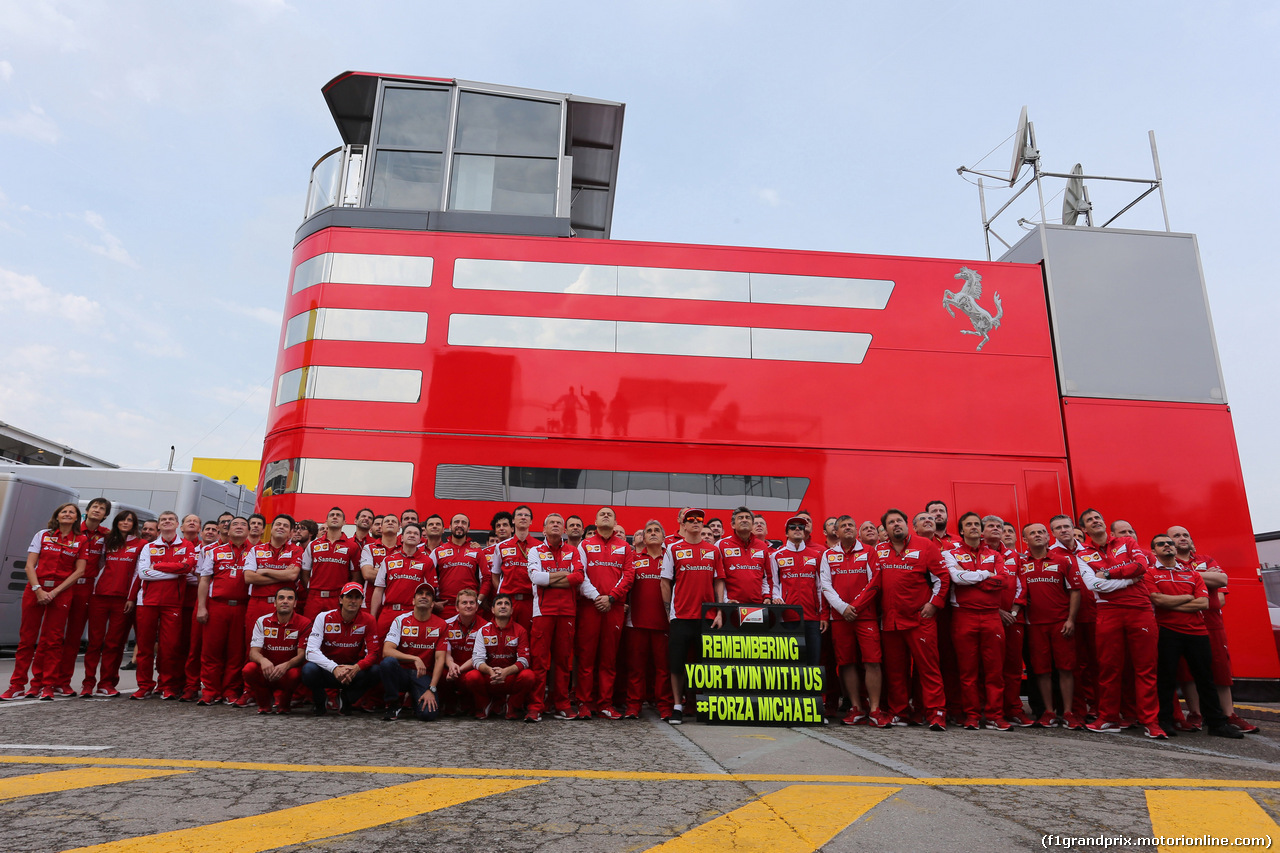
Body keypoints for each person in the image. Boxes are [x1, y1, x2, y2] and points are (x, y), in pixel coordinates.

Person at [850, 509, 950, 730]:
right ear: (885, 530)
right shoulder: (879, 550)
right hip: (890, 621)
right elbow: (873, 583)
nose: (896, 525)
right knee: (895, 671)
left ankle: (936, 713)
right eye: (891, 522)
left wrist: (934, 604)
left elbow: (942, 577)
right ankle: (900, 712)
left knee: (928, 669)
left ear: (907, 524)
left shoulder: (926, 545)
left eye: (899, 521)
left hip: (920, 619)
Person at [1073, 508, 1164, 739]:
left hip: (1140, 610)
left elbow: (1141, 566)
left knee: (1146, 668)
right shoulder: (1082, 554)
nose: (1095, 521)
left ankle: (1150, 721)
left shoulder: (1126, 541)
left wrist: (1110, 574)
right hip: (1108, 612)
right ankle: (1109, 718)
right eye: (1089, 521)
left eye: (1098, 518)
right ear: (1084, 529)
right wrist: (1129, 579)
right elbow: (1095, 586)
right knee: (1109, 669)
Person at [1147, 534, 1242, 739]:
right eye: (1161, 544)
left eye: (1169, 543)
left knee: (1205, 679)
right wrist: (1187, 597)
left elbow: (1204, 603)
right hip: (1167, 631)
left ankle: (1217, 724)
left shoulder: (1192, 573)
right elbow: (1157, 600)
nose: (1167, 546)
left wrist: (1174, 602)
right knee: (1166, 679)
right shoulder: (1151, 573)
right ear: (1154, 551)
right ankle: (1165, 721)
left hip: (1198, 632)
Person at [1168, 526, 1257, 734]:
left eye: (1185, 535)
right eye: (1176, 536)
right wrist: (1204, 578)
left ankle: (1228, 714)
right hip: (1184, 623)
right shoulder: (1167, 565)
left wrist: (1186, 577)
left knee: (1220, 669)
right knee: (1187, 671)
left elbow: (1220, 594)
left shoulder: (1206, 559)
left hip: (1212, 624)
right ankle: (1196, 714)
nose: (1182, 538)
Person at [3, 503, 88, 701]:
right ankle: (17, 685)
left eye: (71, 512)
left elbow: (80, 571)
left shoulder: (81, 540)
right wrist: (38, 590)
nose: (67, 514)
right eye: (63, 512)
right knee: (26, 640)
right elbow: (29, 565)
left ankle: (45, 685)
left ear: (77, 518)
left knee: (53, 640)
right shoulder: (42, 535)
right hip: (35, 588)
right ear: (57, 516)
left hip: (62, 591)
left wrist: (56, 591)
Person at [947, 512, 1011, 730]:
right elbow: (956, 578)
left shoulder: (994, 554)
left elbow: (1003, 580)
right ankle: (972, 715)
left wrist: (973, 578)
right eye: (969, 524)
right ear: (962, 530)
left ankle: (995, 715)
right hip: (964, 616)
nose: (974, 527)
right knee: (967, 671)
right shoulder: (950, 553)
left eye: (977, 524)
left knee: (994, 670)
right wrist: (985, 575)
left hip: (992, 616)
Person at [660, 508, 724, 724]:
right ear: (683, 525)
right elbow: (665, 581)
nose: (696, 522)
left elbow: (719, 581)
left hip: (707, 617)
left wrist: (720, 611)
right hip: (681, 616)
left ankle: (704, 705)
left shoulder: (713, 550)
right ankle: (678, 706)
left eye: (699, 519)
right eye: (691, 519)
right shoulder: (673, 548)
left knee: (706, 664)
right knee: (677, 665)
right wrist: (669, 611)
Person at [820, 515, 885, 727]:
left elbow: (874, 582)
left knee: (872, 661)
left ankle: (875, 710)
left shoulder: (869, 552)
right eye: (843, 526)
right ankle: (855, 707)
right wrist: (842, 608)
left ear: (856, 531)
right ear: (836, 533)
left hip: (864, 615)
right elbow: (825, 586)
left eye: (851, 525)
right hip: (840, 618)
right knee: (845, 662)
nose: (848, 528)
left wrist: (854, 607)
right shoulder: (828, 555)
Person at [1020, 522, 1082, 729]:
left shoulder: (1063, 560)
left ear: (1048, 537)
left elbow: (1075, 590)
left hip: (1060, 624)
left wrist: (1070, 619)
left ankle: (1068, 712)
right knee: (1042, 671)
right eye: (1032, 533)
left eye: (1041, 532)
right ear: (1024, 540)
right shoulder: (1021, 563)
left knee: (1065, 668)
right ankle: (1048, 712)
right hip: (1034, 625)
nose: (1038, 535)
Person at [132, 511, 199, 700]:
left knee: (169, 648)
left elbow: (187, 568)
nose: (167, 522)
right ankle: (144, 685)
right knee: (144, 647)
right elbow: (143, 574)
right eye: (163, 520)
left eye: (171, 519)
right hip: (147, 602)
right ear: (159, 526)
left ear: (177, 524)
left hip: (173, 603)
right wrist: (175, 570)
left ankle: (167, 685)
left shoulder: (186, 545)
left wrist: (159, 566)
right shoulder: (149, 546)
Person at [574, 507, 634, 719]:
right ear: (596, 521)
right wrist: (597, 597)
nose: (606, 516)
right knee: (586, 658)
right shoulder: (585, 544)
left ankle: (605, 704)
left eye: (610, 514)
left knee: (609, 659)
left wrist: (611, 597)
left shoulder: (625, 547)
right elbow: (580, 573)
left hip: (613, 608)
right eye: (602, 514)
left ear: (616, 521)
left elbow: (628, 575)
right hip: (590, 607)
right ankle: (584, 703)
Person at [526, 513, 584, 722]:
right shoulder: (535, 551)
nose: (556, 525)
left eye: (560, 523)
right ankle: (536, 705)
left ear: (564, 530)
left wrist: (549, 580)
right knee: (539, 663)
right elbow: (535, 577)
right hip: (543, 613)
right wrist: (563, 574)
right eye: (552, 522)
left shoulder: (573, 550)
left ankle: (561, 704)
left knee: (562, 662)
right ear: (543, 530)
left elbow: (578, 577)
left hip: (567, 612)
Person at [81, 510, 143, 698]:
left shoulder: (141, 544)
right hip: (99, 597)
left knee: (114, 644)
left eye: (130, 520)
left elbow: (138, 574)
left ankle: (107, 683)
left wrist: (131, 598)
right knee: (94, 643)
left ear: (134, 524)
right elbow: (97, 565)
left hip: (122, 601)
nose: (126, 522)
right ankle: (88, 684)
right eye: (122, 519)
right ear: (116, 522)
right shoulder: (106, 541)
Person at [55, 496, 111, 696]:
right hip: (63, 586)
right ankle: (47, 680)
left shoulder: (106, 535)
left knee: (73, 637)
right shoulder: (73, 529)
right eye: (94, 506)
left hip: (86, 588)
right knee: (54, 635)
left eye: (102, 508)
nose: (97, 510)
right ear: (87, 510)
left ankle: (63, 681)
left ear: (106, 515)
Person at [195, 516, 253, 705]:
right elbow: (204, 580)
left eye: (243, 525)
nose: (238, 527)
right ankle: (210, 691)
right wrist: (202, 607)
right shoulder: (214, 551)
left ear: (249, 530)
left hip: (243, 607)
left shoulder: (256, 552)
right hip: (217, 606)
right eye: (234, 524)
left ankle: (230, 690)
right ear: (226, 530)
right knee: (211, 651)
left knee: (236, 652)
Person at [301, 582, 380, 715]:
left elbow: (373, 653)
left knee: (377, 671)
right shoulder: (324, 617)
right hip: (328, 670)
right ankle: (320, 702)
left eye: (357, 597)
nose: (353, 601)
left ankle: (346, 699)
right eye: (349, 596)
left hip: (351, 671)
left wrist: (357, 667)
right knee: (308, 670)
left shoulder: (369, 620)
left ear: (362, 601)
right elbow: (310, 651)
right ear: (340, 599)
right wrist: (334, 668)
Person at [624, 520, 675, 721]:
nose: (653, 533)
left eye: (657, 531)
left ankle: (665, 706)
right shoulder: (633, 558)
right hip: (636, 623)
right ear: (643, 538)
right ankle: (633, 706)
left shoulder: (671, 558)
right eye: (649, 531)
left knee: (663, 669)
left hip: (664, 623)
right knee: (636, 668)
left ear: (664, 537)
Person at [983, 514, 1030, 726]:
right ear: (982, 531)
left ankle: (1014, 709)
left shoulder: (1014, 555)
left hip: (1013, 619)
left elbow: (1022, 583)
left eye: (998, 526)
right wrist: (995, 610)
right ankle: (990, 710)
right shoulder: (978, 553)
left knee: (1012, 668)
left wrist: (1013, 611)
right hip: (986, 616)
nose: (995, 529)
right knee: (988, 667)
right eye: (990, 526)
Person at [1050, 513, 1098, 721]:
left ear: (1073, 528)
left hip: (1096, 614)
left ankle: (1099, 706)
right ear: (1052, 533)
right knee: (1074, 665)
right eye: (1058, 528)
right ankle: (1079, 708)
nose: (1063, 530)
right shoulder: (1050, 554)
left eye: (1066, 526)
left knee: (1098, 663)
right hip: (1068, 618)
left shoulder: (1090, 551)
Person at [378, 582, 447, 721]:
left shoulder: (441, 624)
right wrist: (414, 658)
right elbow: (387, 651)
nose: (424, 596)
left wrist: (431, 689)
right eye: (420, 594)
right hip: (401, 673)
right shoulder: (400, 620)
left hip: (422, 675)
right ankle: (393, 703)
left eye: (428, 595)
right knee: (387, 663)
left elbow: (440, 659)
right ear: (413, 601)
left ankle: (416, 702)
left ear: (433, 604)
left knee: (428, 715)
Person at [462, 592, 536, 719]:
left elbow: (524, 660)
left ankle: (512, 706)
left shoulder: (520, 631)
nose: (503, 606)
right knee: (471, 677)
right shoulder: (483, 630)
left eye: (506, 604)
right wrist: (490, 671)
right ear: (492, 609)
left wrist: (506, 672)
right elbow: (477, 660)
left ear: (512, 610)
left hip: (510, 678)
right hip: (489, 677)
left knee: (528, 676)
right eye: (499, 603)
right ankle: (484, 704)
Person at [242, 587, 310, 714]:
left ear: (295, 603)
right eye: (281, 598)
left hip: (287, 673)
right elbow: (253, 653)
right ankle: (264, 704)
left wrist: (287, 665)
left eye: (290, 598)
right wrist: (263, 660)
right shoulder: (262, 621)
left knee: (296, 673)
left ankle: (285, 704)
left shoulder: (304, 623)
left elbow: (302, 655)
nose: (285, 601)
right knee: (249, 669)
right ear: (274, 603)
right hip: (267, 671)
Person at [243, 515, 304, 654]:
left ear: (290, 533)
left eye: (285, 525)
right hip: (258, 603)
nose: (281, 527)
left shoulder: (296, 550)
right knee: (252, 646)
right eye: (278, 524)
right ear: (271, 529)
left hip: (284, 605)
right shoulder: (256, 550)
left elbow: (293, 575)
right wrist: (283, 575)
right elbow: (249, 577)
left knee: (280, 648)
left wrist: (264, 571)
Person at [770, 515, 826, 666]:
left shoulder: (816, 555)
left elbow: (821, 586)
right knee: (791, 663)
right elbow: (773, 584)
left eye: (800, 527)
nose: (797, 529)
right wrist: (776, 597)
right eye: (793, 527)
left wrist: (823, 614)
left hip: (812, 617)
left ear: (804, 531)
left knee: (813, 662)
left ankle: (813, 691)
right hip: (788, 616)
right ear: (786, 533)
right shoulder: (776, 556)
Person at [370, 523, 437, 640]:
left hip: (412, 613)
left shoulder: (427, 561)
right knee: (380, 651)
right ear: (401, 537)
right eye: (409, 533)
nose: (412, 535)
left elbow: (430, 592)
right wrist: (372, 617)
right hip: (388, 612)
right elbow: (379, 590)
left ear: (420, 539)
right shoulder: (388, 559)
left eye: (416, 534)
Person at [301, 507, 360, 621]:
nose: (334, 517)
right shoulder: (313, 545)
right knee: (310, 631)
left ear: (344, 522)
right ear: (326, 521)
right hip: (315, 597)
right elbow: (304, 572)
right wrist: (311, 590)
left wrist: (346, 596)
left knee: (335, 631)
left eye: (338, 515)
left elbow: (356, 576)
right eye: (331, 515)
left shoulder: (352, 546)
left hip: (338, 598)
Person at [490, 506, 537, 633]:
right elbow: (495, 575)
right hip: (509, 601)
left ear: (531, 521)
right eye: (519, 515)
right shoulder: (500, 547)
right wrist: (502, 596)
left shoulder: (540, 546)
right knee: (505, 635)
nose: (523, 517)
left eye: (526, 515)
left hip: (531, 601)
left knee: (529, 637)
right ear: (513, 521)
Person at [431, 514, 485, 620]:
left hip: (470, 607)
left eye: (463, 523)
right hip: (445, 608)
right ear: (450, 527)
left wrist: (478, 601)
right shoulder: (438, 551)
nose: (460, 525)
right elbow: (427, 579)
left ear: (468, 528)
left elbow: (487, 579)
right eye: (456, 522)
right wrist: (433, 603)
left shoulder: (477, 551)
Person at [442, 589, 487, 715]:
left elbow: (479, 656)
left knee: (474, 677)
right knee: (439, 671)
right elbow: (445, 651)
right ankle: (449, 703)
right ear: (457, 607)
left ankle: (477, 705)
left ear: (477, 607)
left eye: (472, 603)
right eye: (464, 603)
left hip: (472, 668)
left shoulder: (486, 627)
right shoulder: (446, 624)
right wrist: (451, 665)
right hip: (452, 667)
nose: (468, 606)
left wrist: (459, 670)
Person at [717, 506, 771, 606]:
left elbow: (766, 577)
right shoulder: (721, 545)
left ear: (752, 524)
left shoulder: (762, 546)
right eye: (740, 518)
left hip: (757, 605)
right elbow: (718, 578)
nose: (745, 520)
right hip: (731, 606)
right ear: (733, 525)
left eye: (748, 517)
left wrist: (767, 595)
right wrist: (725, 600)